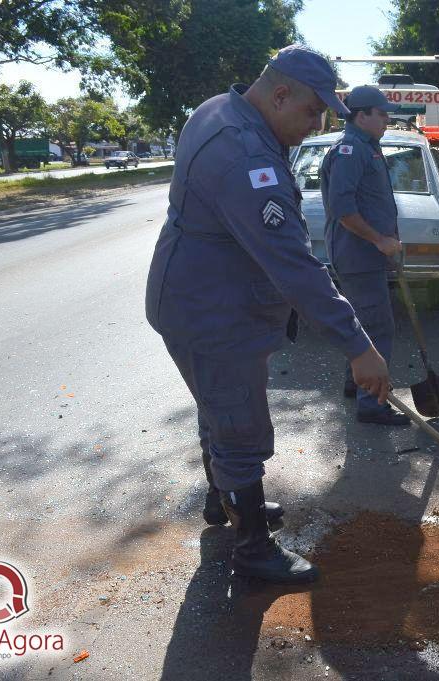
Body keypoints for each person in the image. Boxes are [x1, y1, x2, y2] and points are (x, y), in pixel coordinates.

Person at [144, 45, 391, 585]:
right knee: (238, 424)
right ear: (279, 94)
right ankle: (253, 548)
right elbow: (294, 266)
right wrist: (359, 346)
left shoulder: (220, 110)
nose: (316, 124)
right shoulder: (245, 156)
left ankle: (225, 502)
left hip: (197, 294)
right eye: (311, 112)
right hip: (213, 310)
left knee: (218, 406)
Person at [320, 85, 410, 427]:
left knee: (361, 322)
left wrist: (389, 240)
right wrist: (379, 241)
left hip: (366, 254)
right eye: (382, 113)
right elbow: (343, 209)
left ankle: (353, 382)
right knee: (377, 327)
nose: (388, 119)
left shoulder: (367, 147)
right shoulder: (350, 150)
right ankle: (372, 403)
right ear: (361, 115)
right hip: (357, 255)